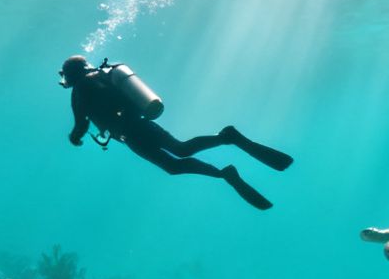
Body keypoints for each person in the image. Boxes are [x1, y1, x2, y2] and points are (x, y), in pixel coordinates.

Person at [60, 55, 293, 210]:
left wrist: (75, 137)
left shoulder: (79, 91)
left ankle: (223, 167)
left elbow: (81, 123)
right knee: (181, 150)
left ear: (70, 74)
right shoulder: (104, 75)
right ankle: (226, 142)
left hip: (131, 134)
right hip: (141, 124)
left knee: (173, 165)